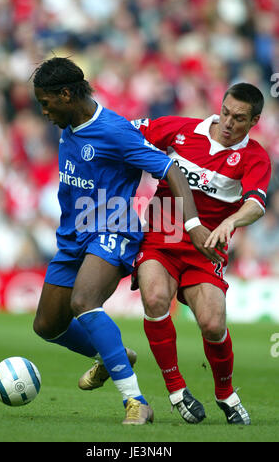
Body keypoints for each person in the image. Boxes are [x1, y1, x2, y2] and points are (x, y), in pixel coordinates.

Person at [31, 57, 220, 425]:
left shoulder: (115, 132)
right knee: (47, 326)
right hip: (73, 236)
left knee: (83, 300)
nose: (43, 111)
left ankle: (136, 402)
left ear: (66, 94)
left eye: (46, 102)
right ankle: (112, 352)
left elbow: (169, 168)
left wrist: (193, 223)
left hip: (113, 230)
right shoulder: (69, 123)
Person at [129, 83, 271, 425]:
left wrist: (231, 222)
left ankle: (225, 392)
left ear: (254, 121)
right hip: (162, 237)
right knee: (155, 298)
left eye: (238, 118)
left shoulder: (256, 157)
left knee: (212, 323)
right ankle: (176, 390)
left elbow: (256, 204)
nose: (227, 122)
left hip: (205, 248)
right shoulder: (179, 130)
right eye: (225, 112)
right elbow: (125, 131)